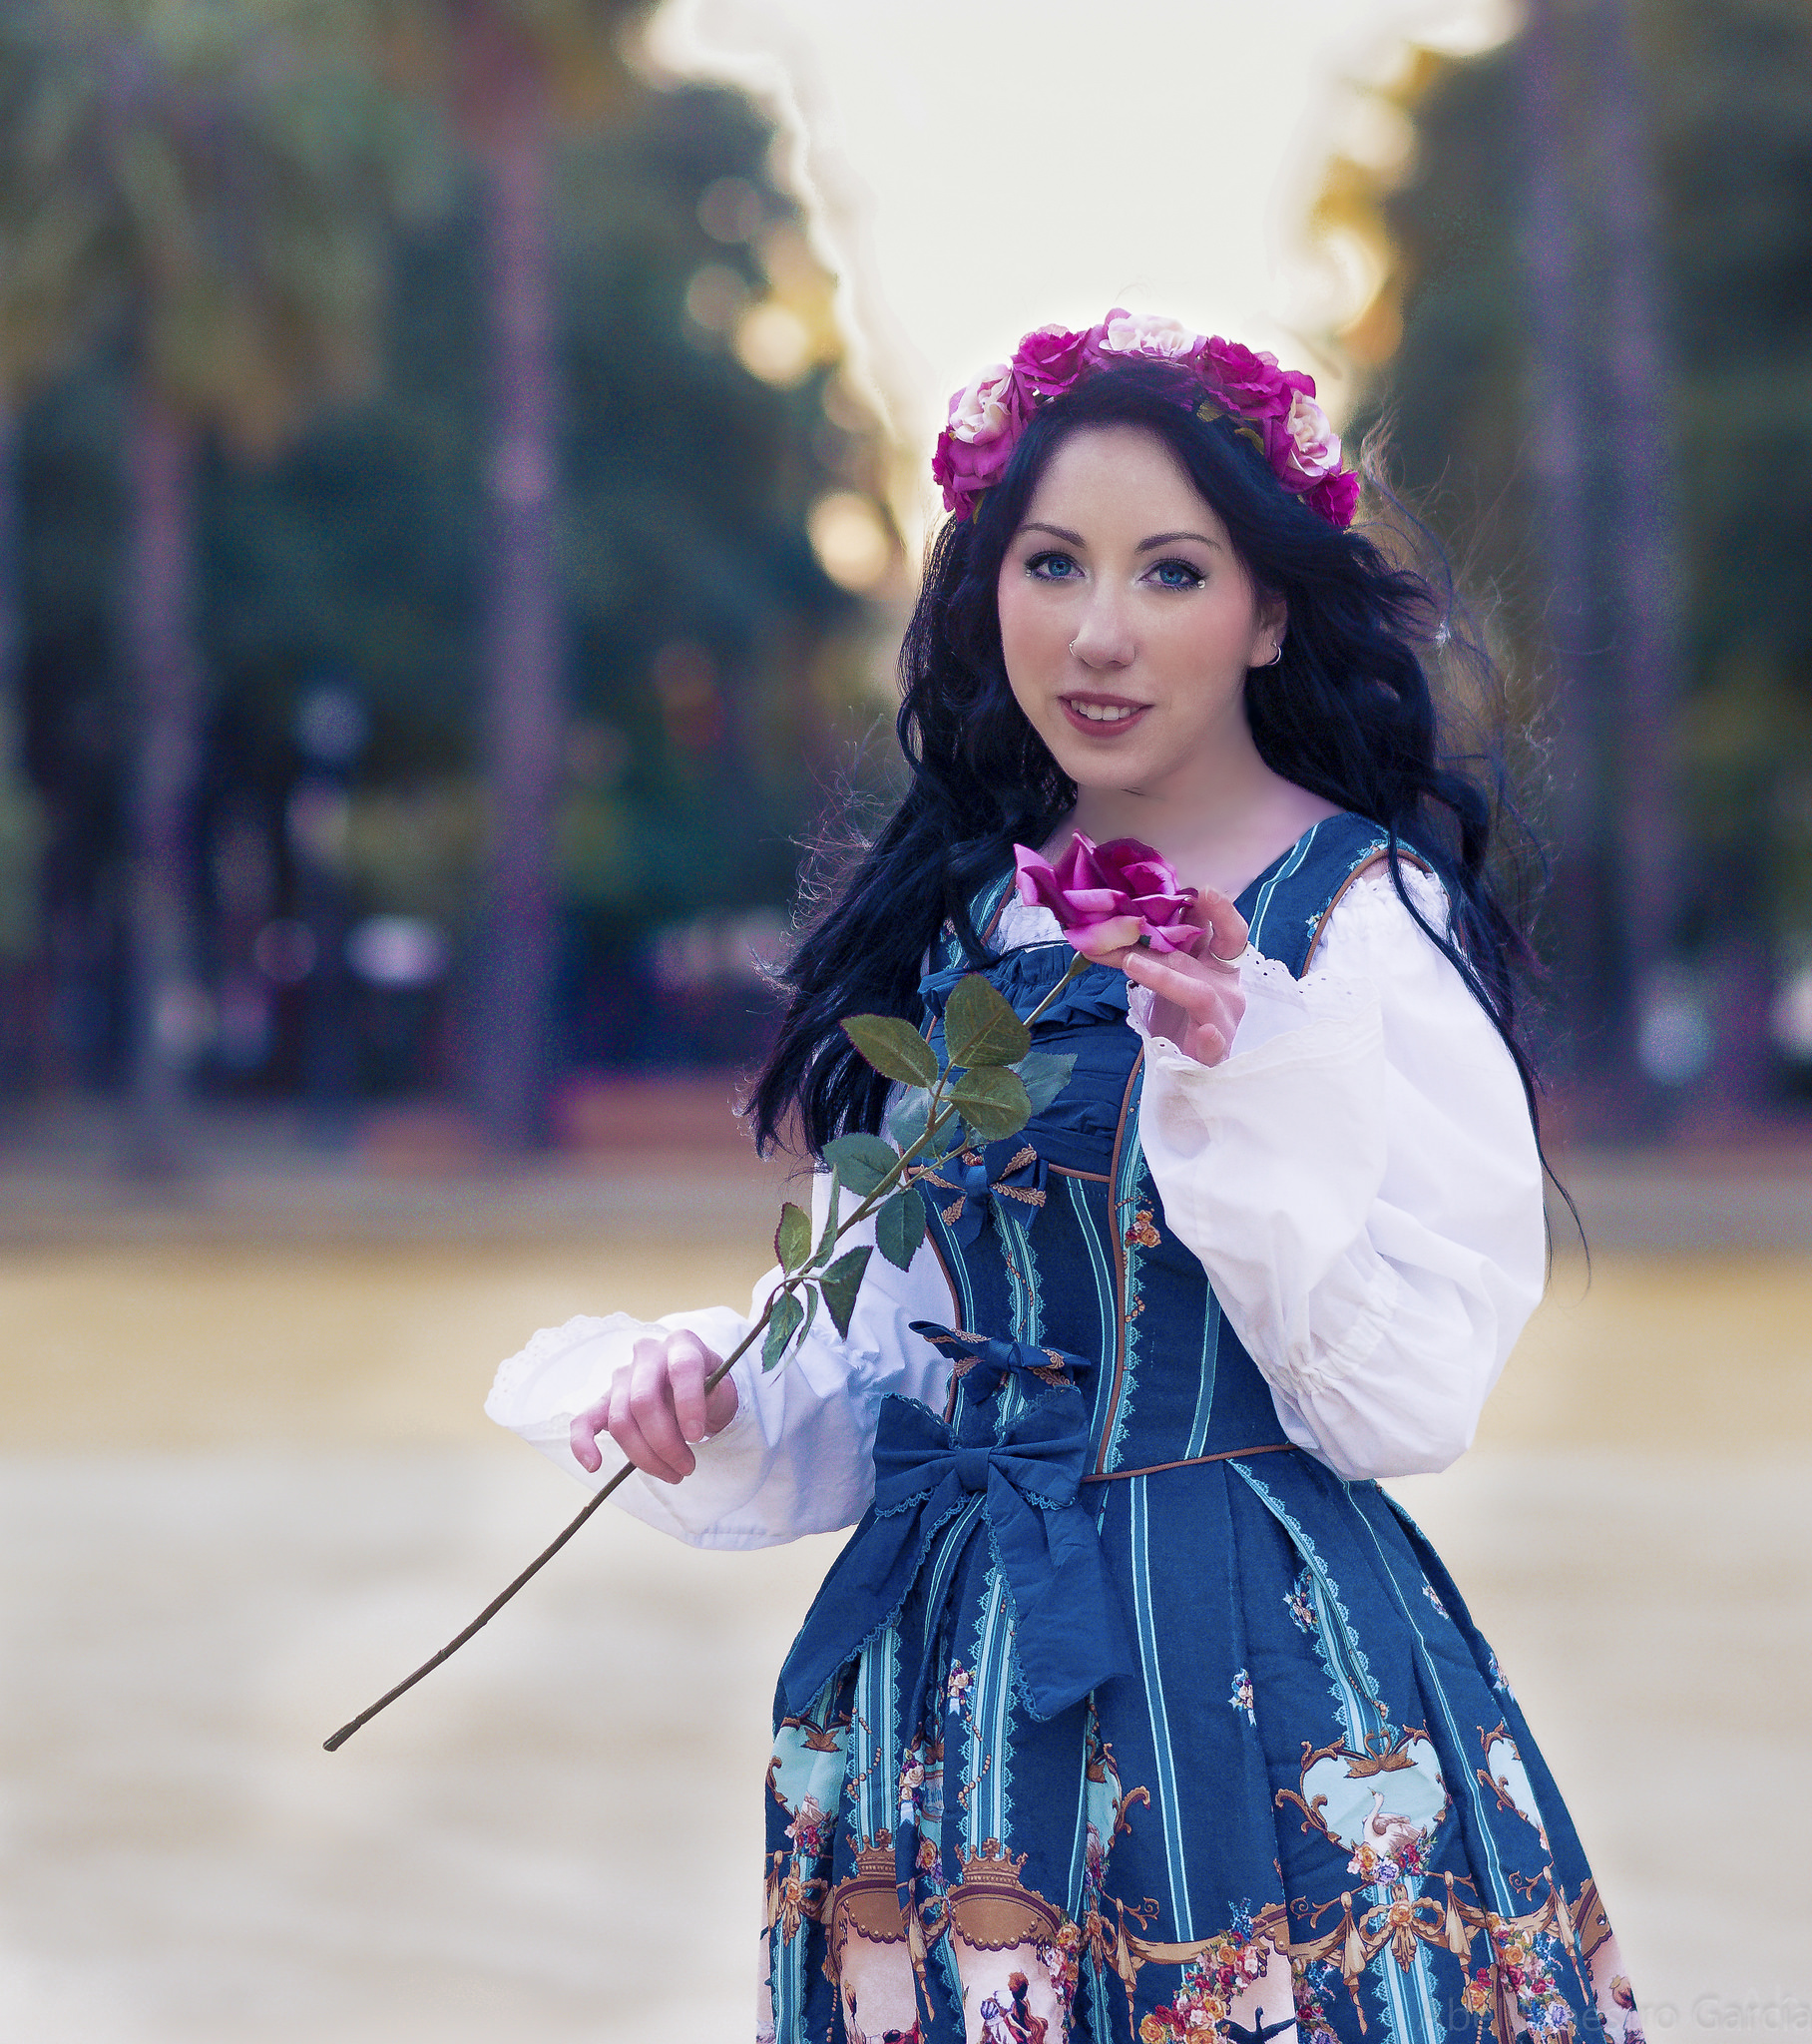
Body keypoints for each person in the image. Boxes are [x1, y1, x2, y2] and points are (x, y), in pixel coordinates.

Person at [487, 312, 1638, 2044]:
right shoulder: (968, 920)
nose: (1099, 633)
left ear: (1266, 612)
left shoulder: (1360, 922)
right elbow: (891, 1348)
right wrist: (707, 1389)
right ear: (987, 591)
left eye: (1172, 572)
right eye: (1052, 565)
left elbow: (1409, 1393)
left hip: (1246, 1676)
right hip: (951, 1680)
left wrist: (1237, 1075)